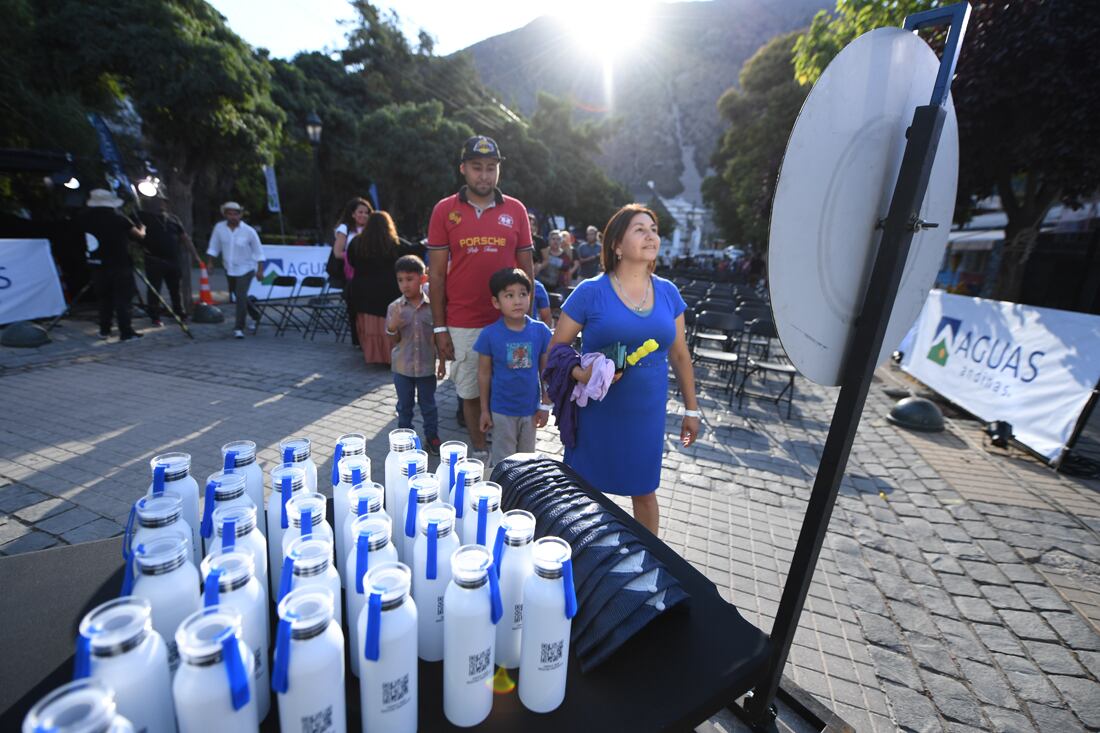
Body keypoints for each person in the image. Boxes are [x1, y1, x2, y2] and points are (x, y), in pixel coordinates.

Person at [548, 204, 701, 535]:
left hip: (646, 413)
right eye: (640, 229)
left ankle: (648, 562)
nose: (651, 235)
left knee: (645, 492)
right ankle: (575, 555)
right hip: (596, 412)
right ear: (617, 245)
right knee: (582, 490)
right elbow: (555, 351)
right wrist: (581, 374)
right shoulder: (590, 292)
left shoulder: (668, 293)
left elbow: (680, 354)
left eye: (654, 229)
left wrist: (692, 410)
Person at [427, 134, 535, 461]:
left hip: (509, 323)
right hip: (462, 322)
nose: (484, 175)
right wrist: (439, 328)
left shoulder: (515, 210)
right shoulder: (445, 210)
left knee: (513, 387)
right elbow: (435, 276)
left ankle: (513, 458)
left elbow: (527, 270)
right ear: (463, 169)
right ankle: (479, 452)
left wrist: (529, 318)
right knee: (470, 392)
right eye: (477, 168)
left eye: (491, 168)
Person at [475, 268, 552, 467]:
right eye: (509, 295)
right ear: (496, 302)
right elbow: (483, 374)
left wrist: (545, 404)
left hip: (530, 409)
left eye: (523, 294)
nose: (517, 301)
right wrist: (484, 410)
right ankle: (504, 496)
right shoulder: (489, 335)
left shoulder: (540, 331)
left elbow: (546, 372)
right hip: (501, 410)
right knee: (505, 461)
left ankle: (522, 496)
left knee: (527, 461)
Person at [385, 255, 445, 454]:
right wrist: (393, 327)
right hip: (402, 368)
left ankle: (432, 437)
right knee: (404, 406)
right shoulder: (394, 307)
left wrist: (442, 362)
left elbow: (439, 337)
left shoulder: (433, 307)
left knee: (429, 406)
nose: (405, 285)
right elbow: (392, 340)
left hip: (427, 367)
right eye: (400, 280)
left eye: (410, 279)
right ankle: (404, 438)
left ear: (423, 279)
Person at [79, 188, 146, 340]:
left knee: (104, 299)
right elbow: (138, 236)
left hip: (97, 264)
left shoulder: (84, 219)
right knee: (123, 299)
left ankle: (105, 330)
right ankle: (126, 332)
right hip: (119, 264)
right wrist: (143, 229)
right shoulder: (119, 219)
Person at [346, 211, 402, 365]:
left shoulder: (356, 242)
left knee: (370, 327)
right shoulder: (394, 242)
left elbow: (350, 261)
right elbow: (411, 253)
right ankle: (390, 357)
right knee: (388, 325)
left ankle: (373, 355)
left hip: (362, 291)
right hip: (388, 290)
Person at [138, 196, 201, 326]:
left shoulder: (174, 219)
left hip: (173, 259)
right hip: (154, 260)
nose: (161, 205)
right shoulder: (144, 217)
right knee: (154, 289)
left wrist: (195, 255)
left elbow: (185, 238)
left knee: (175, 288)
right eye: (158, 202)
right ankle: (154, 316)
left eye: (163, 202)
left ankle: (178, 311)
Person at [206, 201, 264, 339]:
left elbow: (258, 251)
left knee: (240, 295)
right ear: (225, 215)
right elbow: (214, 246)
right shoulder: (219, 228)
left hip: (246, 268)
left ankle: (239, 327)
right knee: (239, 296)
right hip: (229, 268)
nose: (233, 217)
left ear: (240, 215)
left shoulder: (249, 231)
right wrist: (210, 262)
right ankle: (256, 315)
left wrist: (260, 269)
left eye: (235, 214)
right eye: (229, 214)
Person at [332, 197, 373, 346]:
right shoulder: (345, 229)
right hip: (352, 275)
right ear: (353, 214)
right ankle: (357, 340)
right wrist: (357, 257)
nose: (363, 215)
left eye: (366, 212)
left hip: (368, 274)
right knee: (355, 308)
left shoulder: (371, 229)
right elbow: (338, 253)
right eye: (360, 212)